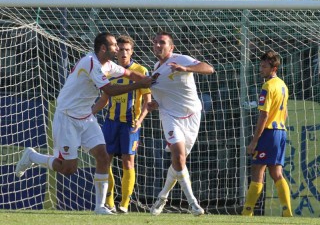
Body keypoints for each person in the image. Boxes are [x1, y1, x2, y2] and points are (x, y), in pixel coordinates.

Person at [15, 32, 152, 215]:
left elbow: (129, 73)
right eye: (114, 46)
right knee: (68, 169)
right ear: (103, 48)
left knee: (103, 157)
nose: (117, 49)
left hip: (86, 117)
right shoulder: (91, 63)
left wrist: (151, 79)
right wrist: (139, 85)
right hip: (67, 117)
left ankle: (99, 207)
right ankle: (32, 157)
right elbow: (110, 90)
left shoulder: (108, 64)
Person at [147, 31, 214, 216]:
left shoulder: (181, 59)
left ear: (171, 47)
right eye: (155, 42)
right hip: (169, 116)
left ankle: (162, 196)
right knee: (178, 156)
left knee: (179, 161)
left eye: (162, 42)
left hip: (192, 115)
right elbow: (165, 96)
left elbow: (209, 69)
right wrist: (154, 104)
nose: (158, 45)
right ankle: (193, 204)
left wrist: (187, 69)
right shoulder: (155, 68)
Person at [92, 35, 151, 213]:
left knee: (128, 162)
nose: (124, 52)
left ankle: (124, 204)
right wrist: (90, 112)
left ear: (132, 51)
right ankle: (109, 201)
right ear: (116, 51)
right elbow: (104, 99)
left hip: (129, 124)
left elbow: (148, 101)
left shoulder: (140, 70)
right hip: (110, 123)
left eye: (127, 49)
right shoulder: (109, 70)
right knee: (104, 161)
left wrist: (139, 122)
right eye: (121, 49)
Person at [241, 51, 292, 217]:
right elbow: (284, 114)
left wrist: (254, 141)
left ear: (274, 68)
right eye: (260, 66)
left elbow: (263, 115)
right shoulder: (283, 85)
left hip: (269, 133)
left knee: (257, 169)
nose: (260, 69)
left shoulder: (268, 86)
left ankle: (247, 212)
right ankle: (287, 212)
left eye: (264, 66)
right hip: (281, 131)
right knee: (276, 172)